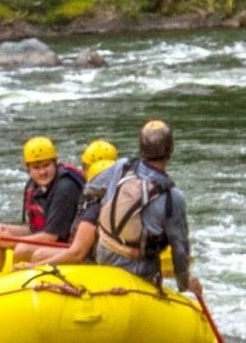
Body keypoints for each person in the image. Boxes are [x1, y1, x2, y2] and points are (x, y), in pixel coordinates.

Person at [63, 119, 197, 296]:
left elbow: (91, 189)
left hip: (103, 255)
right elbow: (179, 249)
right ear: (170, 151)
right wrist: (184, 282)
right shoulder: (173, 197)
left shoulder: (122, 166)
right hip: (139, 270)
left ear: (141, 148)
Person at [0, 135, 87, 257]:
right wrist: (7, 238)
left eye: (46, 165)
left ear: (55, 163)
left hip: (66, 244)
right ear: (28, 168)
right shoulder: (34, 184)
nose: (42, 172)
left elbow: (51, 237)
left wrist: (11, 242)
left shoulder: (65, 188)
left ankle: (18, 273)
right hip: (45, 233)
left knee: (22, 249)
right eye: (36, 167)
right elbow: (35, 228)